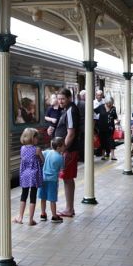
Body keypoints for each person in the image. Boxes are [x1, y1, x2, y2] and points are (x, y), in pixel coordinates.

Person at [55, 88, 80, 218]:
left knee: (67, 179)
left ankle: (69, 209)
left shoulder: (70, 110)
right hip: (68, 150)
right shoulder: (68, 110)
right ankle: (69, 208)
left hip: (68, 151)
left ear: (69, 98)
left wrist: (63, 149)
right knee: (67, 179)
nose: (60, 101)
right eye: (59, 99)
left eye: (63, 99)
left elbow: (70, 133)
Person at [13, 127, 42, 226]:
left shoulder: (22, 148)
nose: (38, 139)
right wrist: (40, 156)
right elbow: (43, 160)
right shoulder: (37, 149)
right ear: (32, 138)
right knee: (33, 196)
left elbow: (24, 160)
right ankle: (30, 220)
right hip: (34, 175)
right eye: (37, 138)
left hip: (25, 174)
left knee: (23, 195)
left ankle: (20, 217)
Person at [38, 137, 65, 223]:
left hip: (43, 178)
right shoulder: (60, 158)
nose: (64, 147)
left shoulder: (48, 152)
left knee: (43, 197)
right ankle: (54, 216)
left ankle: (43, 214)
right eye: (63, 146)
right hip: (52, 181)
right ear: (58, 148)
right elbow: (62, 169)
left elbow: (40, 153)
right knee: (52, 199)